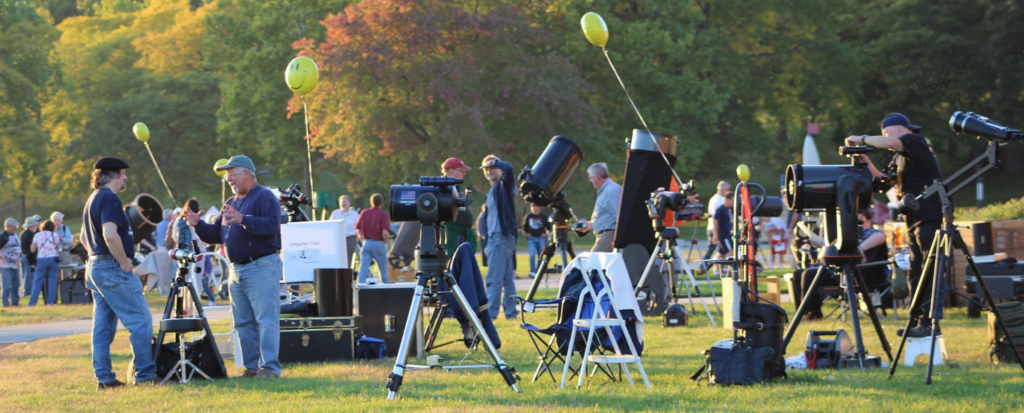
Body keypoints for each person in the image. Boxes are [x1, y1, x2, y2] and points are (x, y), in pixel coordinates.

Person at [845, 113, 943, 338]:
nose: (884, 139)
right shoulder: (898, 157)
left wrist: (861, 138)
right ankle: (918, 321)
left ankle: (930, 322)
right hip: (913, 220)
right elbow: (881, 181)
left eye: (885, 132)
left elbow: (890, 142)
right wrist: (861, 156)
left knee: (930, 270)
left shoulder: (915, 141)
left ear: (898, 129)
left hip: (930, 216)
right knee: (916, 272)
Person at [188, 155, 282, 379]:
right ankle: (251, 368)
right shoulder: (230, 202)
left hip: (261, 266)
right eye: (226, 174)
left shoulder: (265, 196)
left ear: (248, 173)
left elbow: (271, 226)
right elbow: (216, 235)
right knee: (243, 322)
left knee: (265, 320)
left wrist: (243, 219)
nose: (228, 178)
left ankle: (270, 368)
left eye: (232, 173)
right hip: (236, 270)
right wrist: (198, 225)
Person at [81, 157, 157, 388]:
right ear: (113, 175)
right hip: (112, 267)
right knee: (141, 320)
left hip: (95, 265)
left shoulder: (92, 199)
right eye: (123, 173)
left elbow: (85, 238)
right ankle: (145, 376)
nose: (125, 178)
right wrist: (124, 262)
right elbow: (110, 235)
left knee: (102, 328)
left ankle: (104, 379)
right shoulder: (110, 198)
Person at [799, 208, 888, 319]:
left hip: (863, 277)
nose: (857, 225)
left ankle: (813, 314)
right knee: (801, 274)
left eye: (860, 222)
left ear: (869, 221)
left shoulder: (872, 233)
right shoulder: (845, 238)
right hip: (840, 275)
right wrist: (825, 246)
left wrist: (859, 250)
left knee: (809, 274)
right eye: (853, 222)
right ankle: (807, 313)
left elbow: (880, 236)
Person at [480, 154, 517, 320]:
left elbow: (509, 169)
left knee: (494, 280)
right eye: (486, 169)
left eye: (491, 168)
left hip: (501, 238)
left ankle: (491, 315)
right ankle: (511, 313)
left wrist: (496, 162)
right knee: (507, 280)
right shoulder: (490, 192)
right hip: (497, 239)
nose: (489, 171)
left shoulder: (504, 186)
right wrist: (486, 242)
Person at [176, 199, 215, 307]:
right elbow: (203, 239)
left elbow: (175, 238)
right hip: (198, 254)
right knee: (196, 282)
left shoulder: (179, 222)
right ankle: (192, 307)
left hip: (183, 254)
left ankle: (184, 307)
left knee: (184, 281)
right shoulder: (199, 220)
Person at [576, 163, 621, 253]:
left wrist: (617, 238)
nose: (590, 180)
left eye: (590, 177)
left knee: (593, 263)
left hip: (609, 235)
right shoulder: (605, 190)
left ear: (597, 178)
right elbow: (607, 215)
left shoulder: (612, 190)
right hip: (604, 235)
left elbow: (620, 216)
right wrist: (590, 224)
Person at [440, 157, 477, 257]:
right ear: (451, 171)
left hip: (462, 235)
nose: (464, 173)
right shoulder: (442, 187)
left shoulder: (456, 187)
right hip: (452, 235)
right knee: (453, 265)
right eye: (462, 170)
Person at [354, 193, 391, 284]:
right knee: (383, 270)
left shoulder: (364, 212)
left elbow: (358, 229)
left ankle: (360, 289)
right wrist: (385, 243)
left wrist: (363, 240)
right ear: (381, 202)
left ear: (371, 202)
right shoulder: (383, 214)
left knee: (363, 268)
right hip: (379, 243)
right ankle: (386, 290)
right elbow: (385, 233)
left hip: (366, 243)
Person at [28, 220, 62, 306]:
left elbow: (32, 249)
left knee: (37, 281)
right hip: (53, 259)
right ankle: (50, 302)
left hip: (41, 258)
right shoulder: (54, 235)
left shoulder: (37, 235)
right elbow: (58, 248)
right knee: (52, 282)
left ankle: (32, 303)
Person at [701, 181, 731, 270]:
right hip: (715, 228)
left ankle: (708, 267)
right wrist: (716, 234)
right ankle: (704, 267)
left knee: (719, 250)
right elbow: (716, 218)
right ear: (722, 189)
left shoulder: (714, 198)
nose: (727, 192)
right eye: (727, 189)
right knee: (712, 249)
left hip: (713, 227)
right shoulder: (719, 200)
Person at [329, 195, 360, 264]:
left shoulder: (355, 215)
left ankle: (346, 273)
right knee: (338, 259)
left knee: (347, 259)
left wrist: (356, 240)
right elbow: (330, 226)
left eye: (345, 202)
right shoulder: (335, 213)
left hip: (350, 239)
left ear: (349, 203)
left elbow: (359, 228)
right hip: (338, 240)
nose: (343, 204)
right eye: (341, 202)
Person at [522, 203, 550, 278]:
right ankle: (533, 271)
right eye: (532, 206)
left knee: (541, 255)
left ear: (539, 207)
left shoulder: (543, 216)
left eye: (536, 205)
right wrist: (526, 234)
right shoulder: (528, 216)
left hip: (541, 238)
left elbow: (549, 228)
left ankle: (539, 271)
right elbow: (524, 229)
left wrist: (546, 234)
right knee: (532, 254)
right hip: (531, 238)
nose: (534, 208)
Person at [1, 218, 23, 307]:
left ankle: (15, 302)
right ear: (8, 226)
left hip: (15, 264)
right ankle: (5, 303)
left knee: (16, 284)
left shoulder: (15, 235)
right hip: (5, 265)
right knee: (6, 285)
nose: (15, 228)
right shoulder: (3, 236)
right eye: (14, 226)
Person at [20, 215, 40, 299]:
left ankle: (26, 290)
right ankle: (27, 292)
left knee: (25, 274)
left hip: (23, 256)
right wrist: (32, 260)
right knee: (29, 275)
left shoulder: (23, 233)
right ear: (32, 226)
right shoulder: (31, 235)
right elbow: (32, 249)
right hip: (28, 257)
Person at [710, 192, 734, 259]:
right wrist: (715, 235)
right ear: (728, 199)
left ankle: (717, 269)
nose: (733, 203)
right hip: (723, 235)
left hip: (727, 233)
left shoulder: (728, 210)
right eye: (732, 201)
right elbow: (715, 221)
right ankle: (726, 269)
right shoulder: (720, 209)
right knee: (730, 251)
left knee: (721, 253)